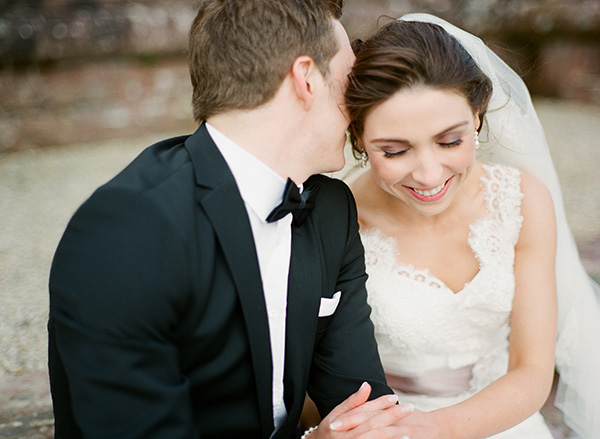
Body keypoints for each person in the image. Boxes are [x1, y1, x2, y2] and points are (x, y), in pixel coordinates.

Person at [47, 1, 415, 438]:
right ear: (306, 79)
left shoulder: (330, 209)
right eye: (350, 80)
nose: (359, 103)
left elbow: (365, 407)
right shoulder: (125, 232)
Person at [344, 13, 600, 439]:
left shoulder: (523, 202)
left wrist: (434, 429)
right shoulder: (341, 218)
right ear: (359, 139)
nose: (428, 175)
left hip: (504, 417)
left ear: (478, 116)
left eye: (450, 141)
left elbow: (533, 371)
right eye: (394, 151)